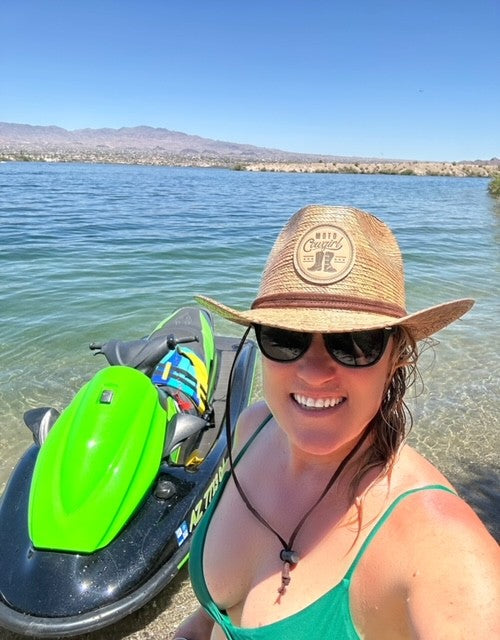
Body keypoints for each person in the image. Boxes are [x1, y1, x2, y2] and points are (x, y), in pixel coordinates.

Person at [173, 205, 499, 639]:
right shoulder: (253, 428)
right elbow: (217, 613)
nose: (313, 371)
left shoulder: (441, 545)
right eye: (284, 337)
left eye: (353, 343)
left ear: (397, 357)